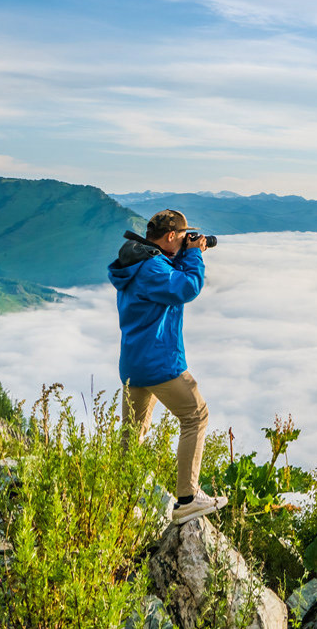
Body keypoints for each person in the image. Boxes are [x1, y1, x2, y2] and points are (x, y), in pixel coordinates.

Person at [108, 208, 226, 523]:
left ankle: (120, 500)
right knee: (195, 416)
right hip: (158, 361)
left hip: (134, 363)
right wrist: (195, 255)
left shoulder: (137, 262)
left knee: (133, 432)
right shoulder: (151, 268)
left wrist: (184, 252)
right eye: (182, 237)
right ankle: (187, 498)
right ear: (172, 236)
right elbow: (185, 288)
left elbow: (165, 273)